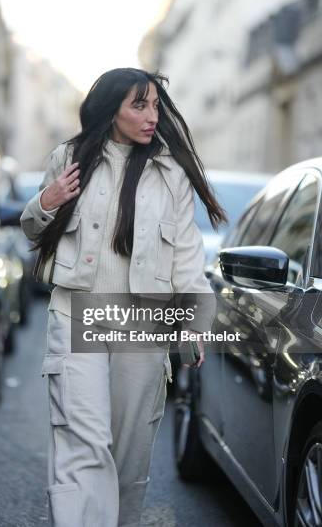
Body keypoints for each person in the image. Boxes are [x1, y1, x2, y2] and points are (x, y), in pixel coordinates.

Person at [20, 67, 227, 527]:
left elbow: (187, 254)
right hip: (77, 312)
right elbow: (34, 231)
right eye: (140, 104)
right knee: (84, 440)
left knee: (129, 450)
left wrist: (195, 323)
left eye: (155, 105)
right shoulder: (69, 157)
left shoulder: (170, 173)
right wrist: (47, 202)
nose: (152, 115)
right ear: (111, 108)